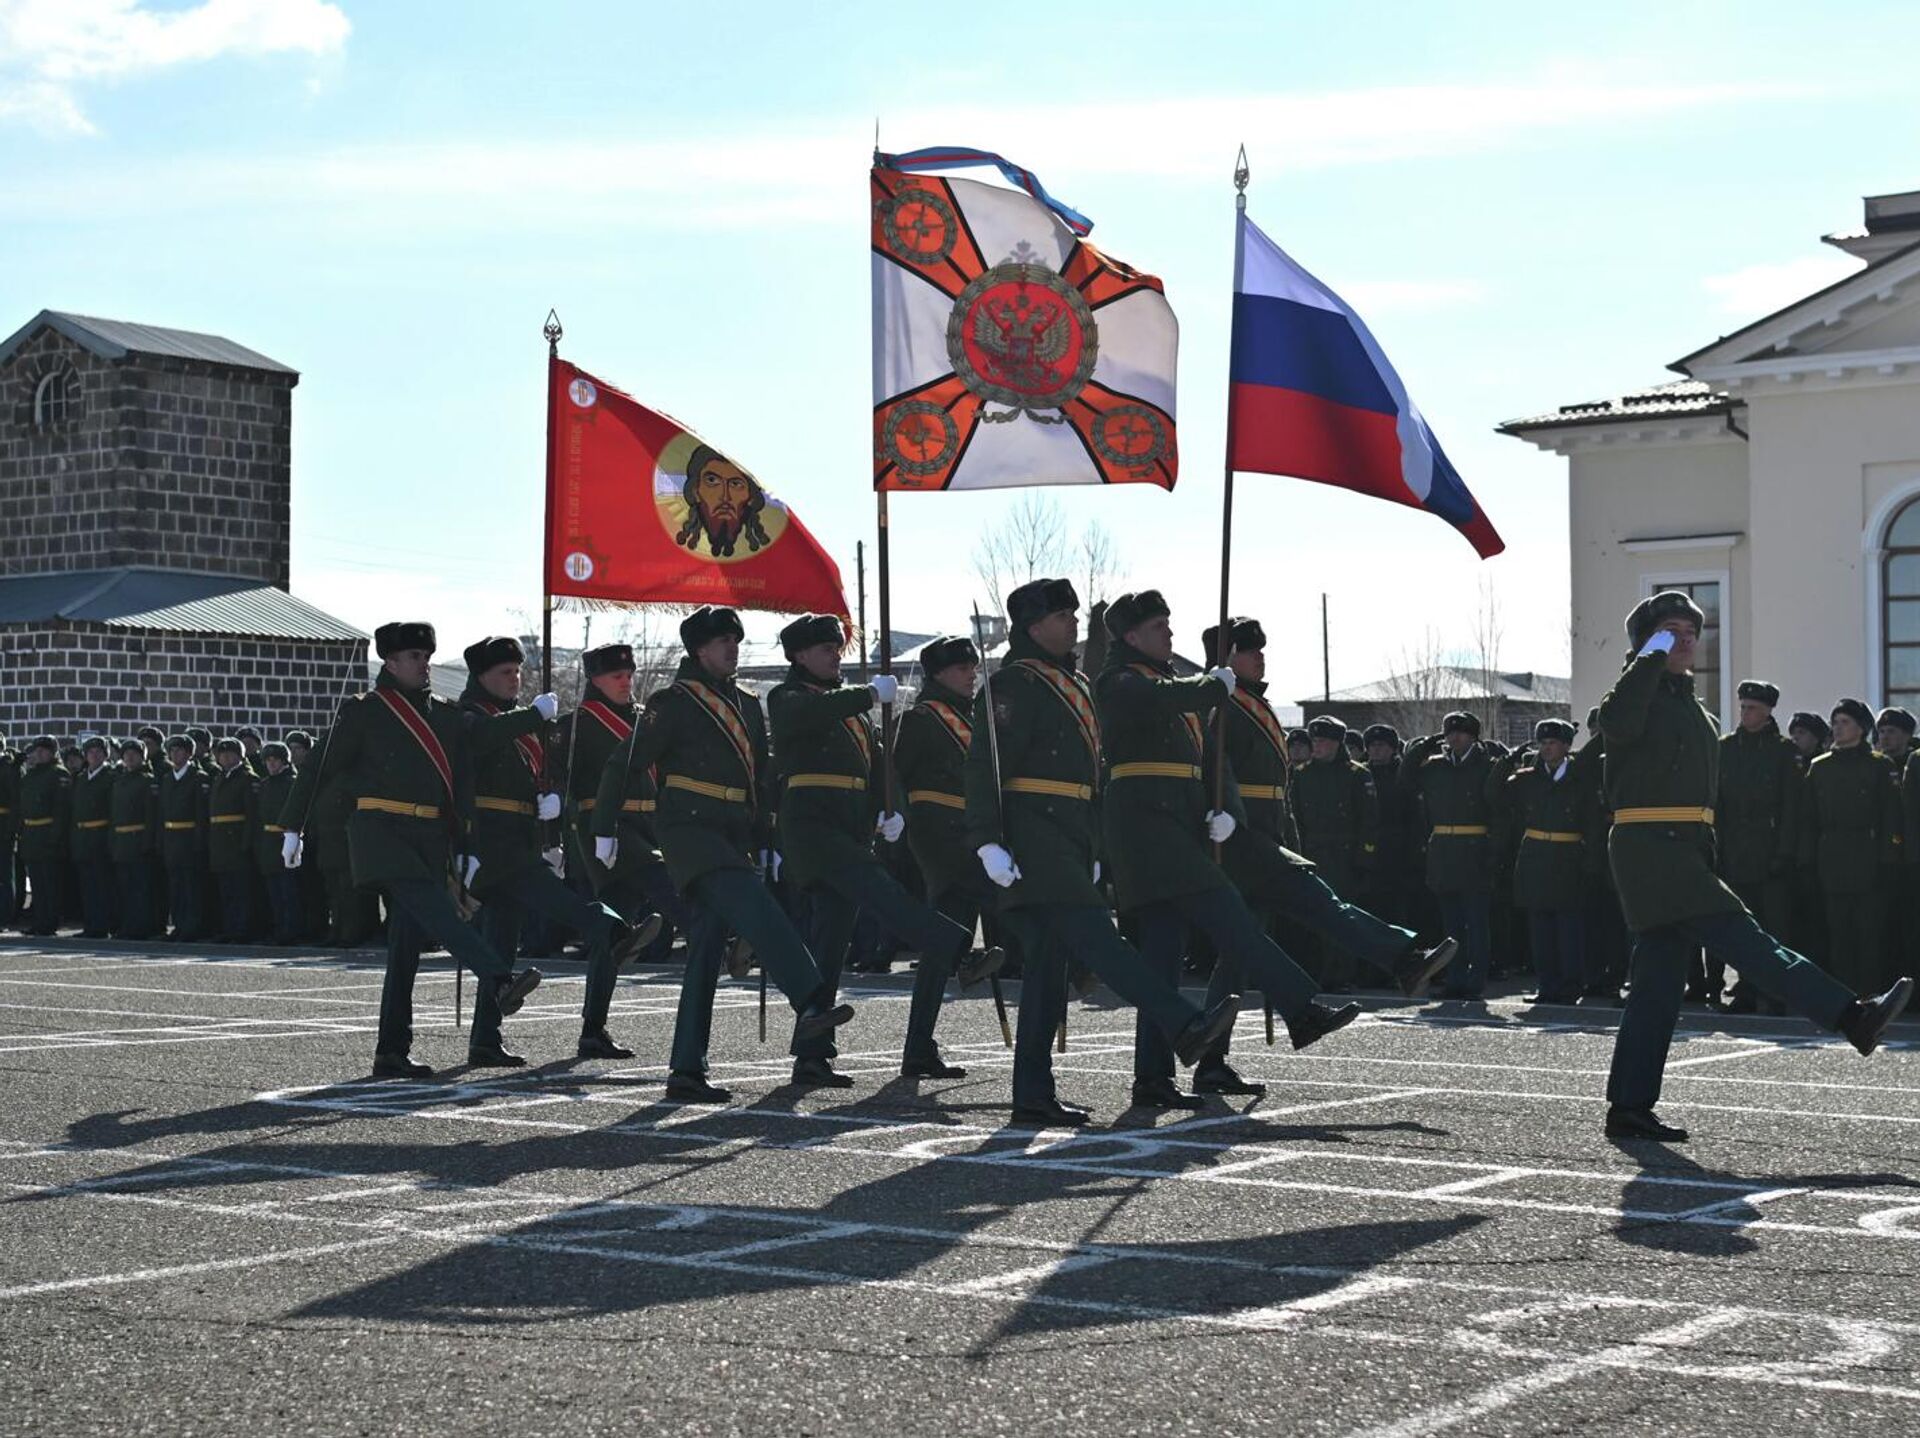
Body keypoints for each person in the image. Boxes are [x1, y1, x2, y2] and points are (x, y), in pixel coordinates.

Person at [1597, 592, 1909, 1142]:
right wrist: (1647, 658)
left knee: (1656, 986)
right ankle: (1849, 1015)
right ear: (1648, 640)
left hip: (1685, 846)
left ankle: (1629, 1107)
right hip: (1651, 847)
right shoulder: (1634, 695)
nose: (1685, 641)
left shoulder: (1692, 708)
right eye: (1671, 630)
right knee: (1747, 940)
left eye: (1691, 632)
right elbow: (1617, 723)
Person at [964, 578, 1242, 1127]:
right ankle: (1184, 1025)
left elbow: (1091, 773)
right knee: (1102, 941)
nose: (1072, 623)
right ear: (1033, 627)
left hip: (1068, 836)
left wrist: (1089, 843)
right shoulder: (1013, 684)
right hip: (1033, 836)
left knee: (1048, 973)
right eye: (1061, 616)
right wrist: (987, 838)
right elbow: (984, 767)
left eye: (1073, 614)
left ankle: (1032, 1093)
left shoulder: (1074, 682)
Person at [594, 605, 854, 1102]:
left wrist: (767, 839)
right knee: (760, 911)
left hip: (733, 833)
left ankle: (686, 1069)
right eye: (722, 642)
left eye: (735, 640)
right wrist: (603, 827)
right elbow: (621, 763)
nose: (733, 648)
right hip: (689, 832)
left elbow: (759, 778)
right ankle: (811, 999)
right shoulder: (673, 702)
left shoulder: (748, 703)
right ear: (699, 651)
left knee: (707, 950)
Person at [1199, 615, 1455, 1095]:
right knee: (1321, 904)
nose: (1260, 657)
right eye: (1250, 650)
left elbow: (1278, 787)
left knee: (1239, 954)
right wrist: (1226, 813)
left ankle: (1216, 1059)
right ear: (1227, 657)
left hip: (1266, 837)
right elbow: (1213, 766)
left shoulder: (1251, 703)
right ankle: (1402, 958)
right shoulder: (1219, 704)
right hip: (1242, 842)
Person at [278, 620, 543, 1079]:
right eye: (415, 657)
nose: (424, 665)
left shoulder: (443, 713)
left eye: (427, 656)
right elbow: (320, 766)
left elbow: (466, 770)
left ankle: (391, 1050)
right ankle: (499, 978)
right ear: (391, 662)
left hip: (429, 837)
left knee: (405, 949)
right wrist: (292, 827)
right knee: (438, 909)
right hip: (381, 833)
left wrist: (466, 842)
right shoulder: (365, 711)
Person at [769, 612, 983, 1088]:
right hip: (813, 829)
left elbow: (878, 766)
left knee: (829, 947)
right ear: (799, 655)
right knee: (885, 895)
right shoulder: (789, 697)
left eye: (837, 648)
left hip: (850, 830)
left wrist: (890, 809)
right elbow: (803, 718)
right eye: (825, 649)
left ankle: (812, 1055)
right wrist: (867, 695)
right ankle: (959, 952)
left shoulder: (853, 713)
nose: (835, 656)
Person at [459, 635, 657, 1066]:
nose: (514, 679)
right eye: (505, 672)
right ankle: (615, 931)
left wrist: (550, 824)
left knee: (501, 942)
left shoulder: (522, 721)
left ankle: (485, 1039)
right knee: (563, 903)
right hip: (492, 840)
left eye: (517, 671)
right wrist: (534, 716)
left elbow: (545, 776)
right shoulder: (471, 715)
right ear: (481, 677)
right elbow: (480, 741)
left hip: (522, 837)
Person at [890, 633, 1009, 1078]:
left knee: (942, 940)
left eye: (973, 667)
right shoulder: (920, 720)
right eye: (962, 668)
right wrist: (895, 815)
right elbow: (893, 773)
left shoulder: (976, 718)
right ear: (938, 674)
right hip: (938, 833)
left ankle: (919, 1046)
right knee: (1005, 904)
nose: (971, 675)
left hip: (973, 833)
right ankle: (970, 958)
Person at [1801, 698, 1904, 993]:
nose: (1838, 728)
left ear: (1861, 728)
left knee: (1868, 934)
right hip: (1832, 859)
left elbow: (1891, 819)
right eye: (1835, 722)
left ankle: (1870, 993)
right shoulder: (1820, 767)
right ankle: (1844, 996)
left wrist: (1888, 859)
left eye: (1845, 722)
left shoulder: (1879, 766)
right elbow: (1808, 819)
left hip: (1868, 859)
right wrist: (1806, 860)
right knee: (1838, 933)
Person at [1495, 719, 1594, 1005]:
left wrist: (1591, 864)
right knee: (1540, 931)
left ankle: (1571, 986)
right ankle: (1547, 985)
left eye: (1552, 743)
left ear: (1566, 746)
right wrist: (1507, 761)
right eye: (1543, 743)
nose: (1547, 749)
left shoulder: (1580, 779)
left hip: (1568, 858)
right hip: (1536, 858)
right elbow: (1493, 794)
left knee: (1569, 929)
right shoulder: (1527, 779)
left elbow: (1592, 825)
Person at [1714, 681, 1798, 1014]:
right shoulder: (1726, 748)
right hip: (1735, 851)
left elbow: (1791, 807)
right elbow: (1717, 802)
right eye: (1743, 707)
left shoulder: (1783, 751)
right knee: (1741, 928)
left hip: (1770, 851)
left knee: (1774, 928)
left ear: (1767, 712)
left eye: (1752, 708)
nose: (1745, 713)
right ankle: (1745, 990)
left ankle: (1776, 992)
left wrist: (1784, 852)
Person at [1403, 712, 1497, 999]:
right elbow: (1404, 780)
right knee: (1451, 924)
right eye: (1449, 733)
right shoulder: (1435, 766)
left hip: (1475, 849)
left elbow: (1500, 813)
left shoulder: (1487, 766)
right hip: (1444, 851)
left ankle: (1475, 980)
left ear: (1473, 737)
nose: (1454, 737)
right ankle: (1454, 979)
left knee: (1476, 923)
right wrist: (1422, 747)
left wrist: (1493, 852)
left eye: (1461, 733)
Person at [1286, 715, 1376, 989]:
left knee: (1342, 916)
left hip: (1343, 856)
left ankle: (1341, 974)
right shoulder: (1301, 774)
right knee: (1312, 916)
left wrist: (1364, 858)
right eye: (1314, 741)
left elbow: (1369, 821)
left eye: (1323, 741)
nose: (1317, 746)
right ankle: (1316, 972)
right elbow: (1294, 817)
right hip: (1310, 853)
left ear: (1337, 743)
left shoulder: (1357, 774)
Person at [156, 735, 208, 942]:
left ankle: (191, 927)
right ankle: (179, 925)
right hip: (171, 840)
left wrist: (198, 842)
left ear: (189, 754)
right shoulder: (168, 778)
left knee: (190, 887)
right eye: (172, 751)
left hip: (188, 838)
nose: (175, 754)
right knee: (176, 886)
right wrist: (161, 841)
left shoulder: (198, 777)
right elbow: (162, 813)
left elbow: (201, 814)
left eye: (180, 750)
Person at [16, 736, 70, 936]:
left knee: (50, 882)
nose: (39, 753)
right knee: (37, 882)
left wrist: (55, 837)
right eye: (37, 749)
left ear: (52, 752)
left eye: (44, 750)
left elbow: (61, 810)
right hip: (31, 834)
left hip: (47, 833)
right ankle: (39, 921)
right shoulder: (31, 775)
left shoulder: (58, 774)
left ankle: (50, 921)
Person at [252, 741, 304, 945]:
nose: (271, 764)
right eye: (268, 760)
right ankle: (279, 928)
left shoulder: (292, 783)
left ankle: (291, 930)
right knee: (274, 891)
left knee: (288, 890)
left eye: (275, 760)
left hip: (286, 838)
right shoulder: (265, 784)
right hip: (268, 841)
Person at [207, 737, 258, 942]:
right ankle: (229, 928)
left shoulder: (247, 779)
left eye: (230, 754)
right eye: (222, 754)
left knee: (240, 890)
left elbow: (251, 815)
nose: (226, 757)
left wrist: (246, 843)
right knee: (226, 889)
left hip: (236, 840)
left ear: (240, 756)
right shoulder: (219, 778)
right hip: (220, 842)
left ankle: (242, 929)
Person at [69, 735, 118, 939]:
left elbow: (113, 811)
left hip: (100, 835)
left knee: (102, 885)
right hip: (83, 838)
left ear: (106, 755)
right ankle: (90, 924)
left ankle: (102, 925)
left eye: (99, 752)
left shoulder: (111, 777)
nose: (94, 755)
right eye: (90, 752)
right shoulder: (81, 778)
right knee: (87, 885)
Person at [109, 738, 159, 939]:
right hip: (122, 841)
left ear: (142, 757)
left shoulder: (147, 781)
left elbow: (151, 815)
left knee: (140, 888)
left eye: (134, 754)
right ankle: (127, 925)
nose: (129, 758)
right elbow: (114, 815)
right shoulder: (119, 782)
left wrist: (147, 842)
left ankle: (140, 927)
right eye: (126, 754)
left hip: (138, 839)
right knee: (124, 888)